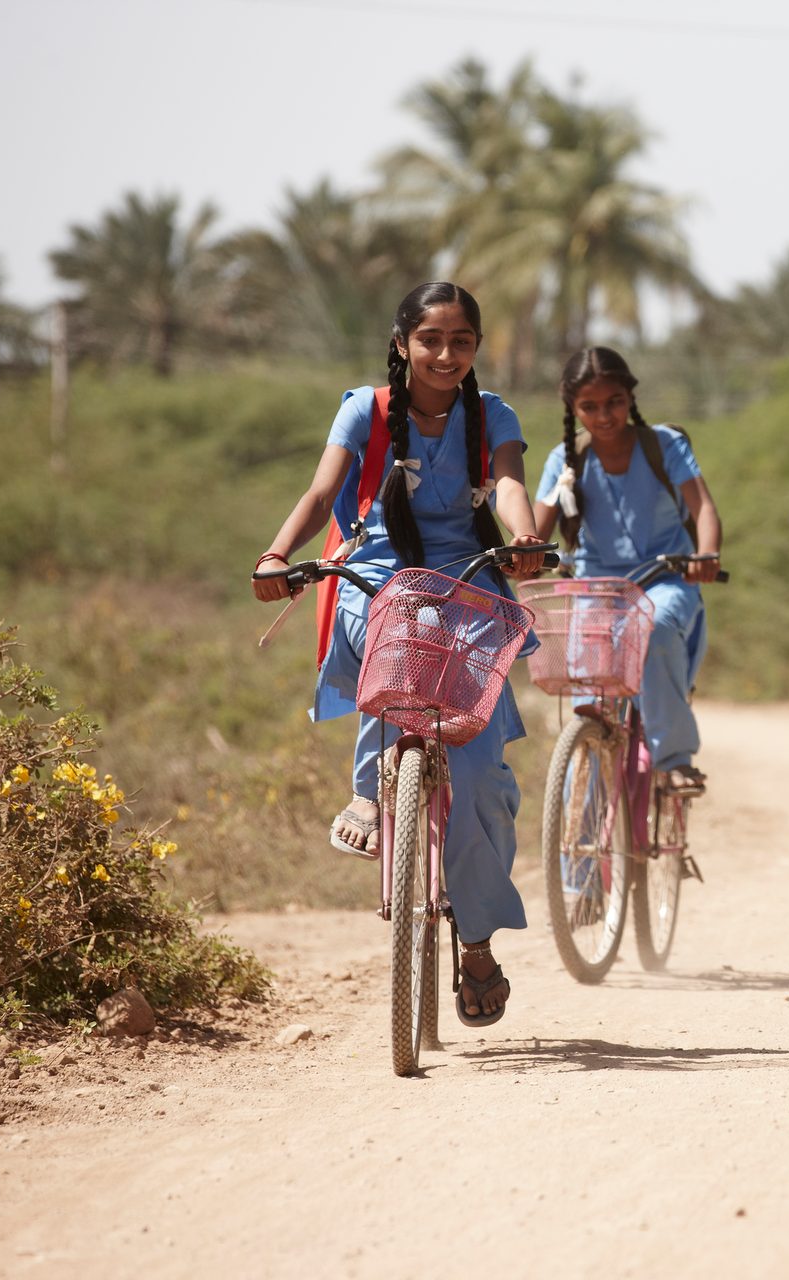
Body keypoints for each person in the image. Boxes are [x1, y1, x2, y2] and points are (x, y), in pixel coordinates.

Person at [252, 282, 545, 1026]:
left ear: (477, 348)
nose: (447, 355)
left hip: (467, 579)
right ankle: (368, 788)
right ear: (403, 342)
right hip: (377, 571)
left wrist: (520, 537)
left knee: (481, 784)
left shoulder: (492, 415)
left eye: (463, 342)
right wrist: (277, 551)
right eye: (432, 340)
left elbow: (509, 483)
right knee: (386, 621)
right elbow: (323, 492)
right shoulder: (367, 409)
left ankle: (475, 944)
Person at [531, 347, 723, 793]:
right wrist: (527, 549)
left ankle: (673, 759)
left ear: (630, 397)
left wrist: (707, 555)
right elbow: (536, 533)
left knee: (654, 628)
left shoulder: (664, 447)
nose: (604, 415)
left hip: (664, 581)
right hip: (595, 589)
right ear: (572, 408)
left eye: (614, 402)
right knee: (590, 705)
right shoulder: (565, 460)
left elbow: (704, 508)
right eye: (589, 407)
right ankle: (580, 827)